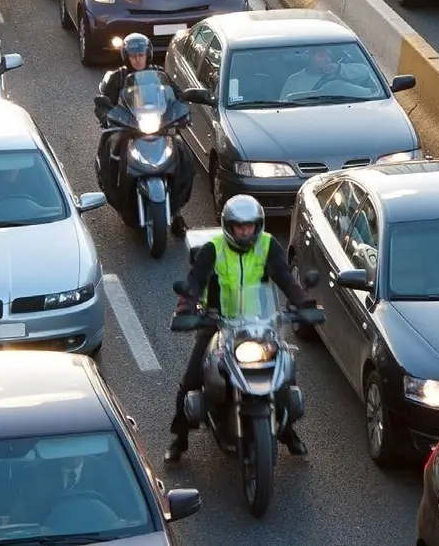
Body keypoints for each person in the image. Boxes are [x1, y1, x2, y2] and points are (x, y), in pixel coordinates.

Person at [165, 194, 317, 462]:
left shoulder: (268, 245)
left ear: (258, 225)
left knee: (284, 373)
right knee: (192, 378)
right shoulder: (214, 249)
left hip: (261, 323)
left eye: (250, 225)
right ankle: (180, 437)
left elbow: (284, 278)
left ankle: (286, 430)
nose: (246, 231)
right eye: (239, 226)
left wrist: (305, 304)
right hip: (217, 322)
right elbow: (194, 282)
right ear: (228, 226)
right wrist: (185, 310)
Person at [96, 33, 191, 237]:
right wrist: (105, 114)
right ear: (126, 56)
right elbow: (105, 101)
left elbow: (176, 96)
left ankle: (176, 212)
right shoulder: (118, 77)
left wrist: (183, 110)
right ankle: (115, 190)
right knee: (111, 149)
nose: (138, 59)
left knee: (182, 154)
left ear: (147, 55)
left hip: (157, 126)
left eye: (141, 54)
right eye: (133, 55)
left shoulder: (159, 74)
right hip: (127, 128)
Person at [278, 47, 376, 101]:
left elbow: (366, 71)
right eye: (321, 56)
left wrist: (338, 68)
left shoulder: (342, 72)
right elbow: (283, 105)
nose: (327, 59)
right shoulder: (295, 81)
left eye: (328, 55)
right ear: (309, 58)